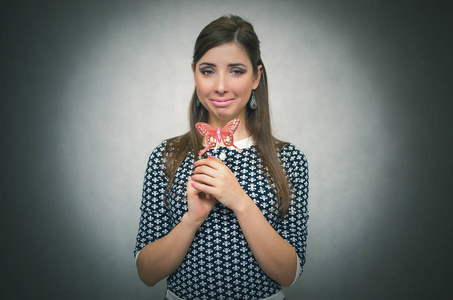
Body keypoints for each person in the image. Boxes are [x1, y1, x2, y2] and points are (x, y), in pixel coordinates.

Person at [134, 15, 309, 300]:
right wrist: (192, 219)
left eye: (237, 71)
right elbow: (147, 273)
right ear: (194, 73)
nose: (220, 86)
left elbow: (288, 274)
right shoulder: (166, 157)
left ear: (256, 77)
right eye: (208, 71)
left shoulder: (288, 161)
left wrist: (239, 200)